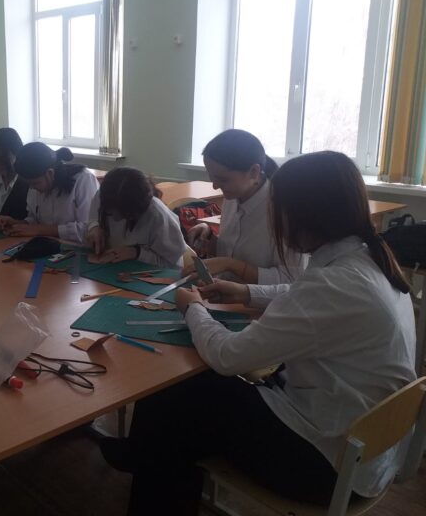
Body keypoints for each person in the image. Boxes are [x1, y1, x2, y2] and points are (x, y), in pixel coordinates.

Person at [101, 151, 416, 515]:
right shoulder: (366, 258)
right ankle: (147, 454)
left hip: (324, 463)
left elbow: (227, 356)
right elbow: (305, 297)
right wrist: (246, 292)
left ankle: (145, 458)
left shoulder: (335, 283)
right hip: (359, 447)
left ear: (306, 215)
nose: (275, 218)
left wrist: (193, 308)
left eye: (278, 209)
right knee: (181, 408)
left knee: (173, 401)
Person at [184, 128, 305, 284]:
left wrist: (231, 265)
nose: (215, 186)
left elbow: (291, 280)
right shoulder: (233, 196)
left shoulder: (284, 210)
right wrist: (209, 238)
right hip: (225, 292)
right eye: (211, 177)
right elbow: (232, 251)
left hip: (260, 300)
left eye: (223, 180)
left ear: (254, 172)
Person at [0, 143, 99, 244]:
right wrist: (20, 224)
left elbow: (88, 229)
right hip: (48, 246)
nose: (31, 188)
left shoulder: (84, 180)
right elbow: (35, 219)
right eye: (28, 184)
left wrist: (40, 230)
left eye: (35, 183)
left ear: (50, 173)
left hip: (77, 248)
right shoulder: (35, 184)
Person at [86, 167, 186, 267]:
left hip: (145, 271)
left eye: (121, 213)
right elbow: (93, 216)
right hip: (113, 267)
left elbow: (172, 265)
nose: (114, 218)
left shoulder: (158, 216)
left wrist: (136, 252)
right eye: (109, 212)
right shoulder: (105, 195)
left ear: (135, 209)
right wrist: (94, 226)